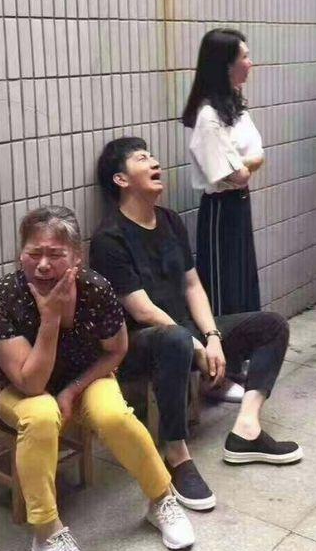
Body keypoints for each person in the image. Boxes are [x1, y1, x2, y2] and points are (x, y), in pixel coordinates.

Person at [0, 206, 194, 551]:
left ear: (77, 257)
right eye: (34, 253)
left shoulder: (96, 288)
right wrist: (49, 319)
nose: (43, 265)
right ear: (20, 254)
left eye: (56, 254)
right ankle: (46, 536)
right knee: (40, 414)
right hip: (16, 386)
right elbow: (30, 382)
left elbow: (117, 349)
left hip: (82, 375)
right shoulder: (1, 299)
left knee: (114, 416)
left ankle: (162, 498)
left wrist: (73, 388)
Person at [89, 137, 303, 514]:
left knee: (271, 325)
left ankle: (246, 430)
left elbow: (192, 285)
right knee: (174, 339)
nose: (155, 163)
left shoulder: (170, 220)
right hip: (138, 345)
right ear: (121, 180)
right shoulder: (109, 238)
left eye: (153, 156)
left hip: (186, 333)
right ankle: (176, 454)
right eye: (142, 159)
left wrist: (212, 337)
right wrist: (195, 344)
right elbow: (141, 310)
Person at [182, 28, 264, 318]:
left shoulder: (235, 105)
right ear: (227, 65)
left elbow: (254, 158)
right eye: (245, 57)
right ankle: (220, 341)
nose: (250, 63)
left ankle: (247, 339)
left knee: (243, 278)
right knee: (222, 283)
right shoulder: (208, 116)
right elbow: (236, 175)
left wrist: (246, 164)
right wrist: (251, 164)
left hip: (240, 202)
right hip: (221, 207)